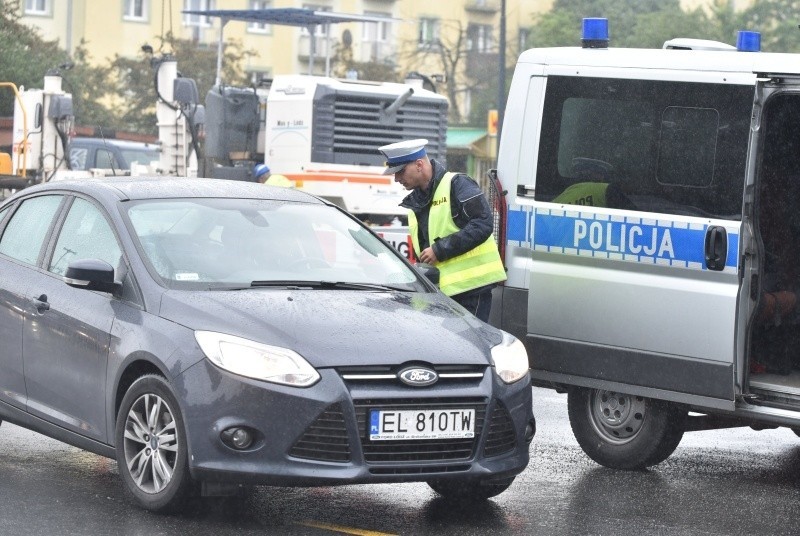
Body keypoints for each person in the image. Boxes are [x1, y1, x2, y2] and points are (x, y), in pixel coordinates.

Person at [378, 138, 506, 322]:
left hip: (471, 291)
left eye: (400, 171)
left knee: (470, 350)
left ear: (419, 164)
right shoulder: (416, 202)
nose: (396, 178)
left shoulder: (458, 184)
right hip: (440, 294)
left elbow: (483, 223)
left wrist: (439, 250)